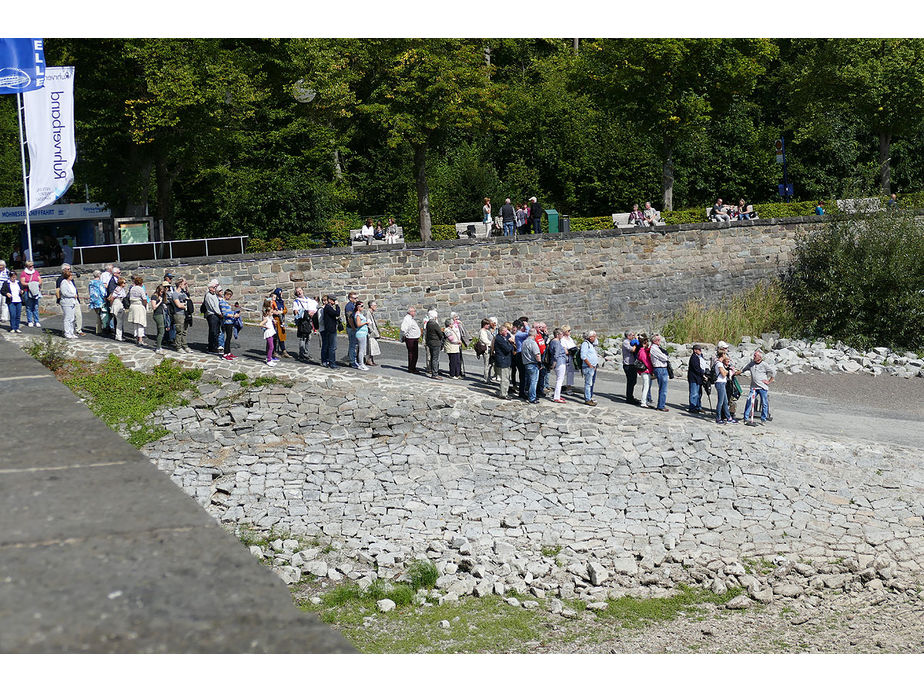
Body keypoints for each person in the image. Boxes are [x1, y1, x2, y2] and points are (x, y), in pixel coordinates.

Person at [741, 350, 776, 426]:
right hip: (753, 387)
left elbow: (773, 372)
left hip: (762, 387)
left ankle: (763, 419)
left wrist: (769, 381)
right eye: (754, 355)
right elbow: (743, 369)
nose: (753, 357)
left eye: (755, 356)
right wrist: (737, 372)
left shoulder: (764, 365)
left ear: (759, 357)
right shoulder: (751, 364)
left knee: (764, 403)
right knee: (749, 401)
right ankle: (746, 418)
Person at [293, 288, 318, 362]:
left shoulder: (308, 300)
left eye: (300, 291)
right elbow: (295, 312)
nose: (299, 292)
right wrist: (304, 312)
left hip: (309, 320)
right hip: (302, 322)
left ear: (303, 291)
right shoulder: (296, 301)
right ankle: (301, 355)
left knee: (309, 337)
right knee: (303, 338)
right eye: (297, 292)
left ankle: (306, 353)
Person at [492, 323, 515, 399]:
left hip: (506, 360)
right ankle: (503, 394)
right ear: (501, 332)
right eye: (505, 331)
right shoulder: (499, 339)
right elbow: (507, 349)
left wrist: (509, 336)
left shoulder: (504, 337)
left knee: (506, 378)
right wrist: (511, 344)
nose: (506, 332)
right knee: (504, 379)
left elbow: (509, 337)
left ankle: (505, 391)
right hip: (503, 361)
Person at [521, 327, 542, 403]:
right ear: (535, 335)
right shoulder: (533, 343)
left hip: (526, 363)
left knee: (529, 381)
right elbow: (537, 354)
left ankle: (528, 394)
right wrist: (539, 363)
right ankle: (532, 397)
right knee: (534, 381)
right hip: (533, 364)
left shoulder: (524, 342)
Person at [650, 334, 670, 412]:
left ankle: (661, 404)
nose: (659, 341)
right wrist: (666, 357)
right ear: (655, 341)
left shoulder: (657, 348)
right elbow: (664, 357)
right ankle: (661, 405)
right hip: (660, 368)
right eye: (658, 340)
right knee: (663, 388)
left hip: (662, 368)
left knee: (663, 388)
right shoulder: (654, 349)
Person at [170, 278, 191, 353]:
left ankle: (185, 345)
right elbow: (178, 305)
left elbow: (188, 299)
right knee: (179, 331)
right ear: (179, 284)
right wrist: (185, 305)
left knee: (185, 331)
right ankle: (178, 347)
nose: (185, 285)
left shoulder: (183, 293)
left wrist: (187, 288)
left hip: (185, 314)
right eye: (184, 284)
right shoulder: (175, 294)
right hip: (179, 314)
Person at [126, 275, 148, 346]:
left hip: (133, 306)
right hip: (139, 306)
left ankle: (137, 338)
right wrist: (145, 305)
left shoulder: (132, 288)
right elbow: (144, 299)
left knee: (136, 323)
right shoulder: (140, 289)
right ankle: (140, 340)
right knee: (141, 323)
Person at [714, 354, 736, 424]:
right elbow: (724, 374)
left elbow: (725, 372)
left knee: (725, 401)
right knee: (720, 402)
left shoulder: (721, 364)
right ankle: (718, 418)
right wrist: (728, 371)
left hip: (723, 383)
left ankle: (728, 417)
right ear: (722, 356)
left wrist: (727, 371)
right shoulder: (719, 364)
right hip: (719, 383)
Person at [548, 328, 569, 403]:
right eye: (561, 334)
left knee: (559, 379)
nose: (562, 335)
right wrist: (554, 363)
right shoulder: (556, 342)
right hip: (560, 362)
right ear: (557, 335)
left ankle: (557, 395)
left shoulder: (552, 341)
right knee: (560, 380)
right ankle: (556, 397)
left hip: (559, 362)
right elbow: (556, 354)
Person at [219, 289, 239, 360]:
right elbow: (224, 314)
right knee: (228, 338)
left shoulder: (226, 302)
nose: (230, 297)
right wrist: (233, 316)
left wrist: (234, 313)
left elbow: (229, 311)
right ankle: (225, 354)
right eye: (229, 296)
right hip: (227, 322)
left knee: (229, 337)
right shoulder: (222, 302)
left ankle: (228, 352)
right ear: (226, 295)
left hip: (230, 322)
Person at [203, 279, 222, 354]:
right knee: (213, 331)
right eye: (213, 287)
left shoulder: (214, 295)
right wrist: (220, 314)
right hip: (212, 315)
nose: (215, 289)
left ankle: (215, 346)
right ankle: (212, 347)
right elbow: (213, 307)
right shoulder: (208, 295)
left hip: (215, 315)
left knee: (216, 331)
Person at [321, 295, 341, 368]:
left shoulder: (328, 307)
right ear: (330, 300)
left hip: (330, 328)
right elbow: (337, 313)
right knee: (332, 347)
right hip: (330, 329)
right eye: (333, 300)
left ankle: (329, 361)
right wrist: (337, 305)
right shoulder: (328, 307)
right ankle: (332, 363)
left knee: (330, 346)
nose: (334, 302)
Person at [57, 269, 78, 339]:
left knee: (72, 318)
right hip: (66, 302)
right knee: (68, 318)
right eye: (70, 275)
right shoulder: (64, 282)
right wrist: (73, 295)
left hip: (72, 302)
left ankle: (71, 332)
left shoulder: (70, 282)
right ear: (67, 276)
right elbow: (64, 293)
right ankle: (67, 332)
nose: (72, 276)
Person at [20, 260, 42, 328]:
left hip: (35, 291)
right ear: (27, 266)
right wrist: (30, 284)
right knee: (29, 307)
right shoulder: (24, 273)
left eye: (32, 266)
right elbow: (22, 282)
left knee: (35, 306)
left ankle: (37, 321)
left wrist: (36, 284)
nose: (31, 267)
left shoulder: (36, 272)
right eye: (30, 266)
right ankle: (30, 321)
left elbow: (40, 280)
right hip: (27, 291)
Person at [580, 331, 600, 406]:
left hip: (592, 367)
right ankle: (587, 399)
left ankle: (589, 396)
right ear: (590, 337)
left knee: (591, 383)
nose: (595, 338)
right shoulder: (585, 344)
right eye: (594, 336)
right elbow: (583, 356)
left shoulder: (590, 344)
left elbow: (596, 343)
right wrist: (590, 365)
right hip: (588, 367)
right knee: (588, 383)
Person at [400, 306, 421, 373]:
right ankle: (411, 368)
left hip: (414, 338)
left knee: (414, 354)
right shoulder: (407, 319)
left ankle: (412, 367)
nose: (415, 312)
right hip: (411, 338)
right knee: (412, 353)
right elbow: (404, 329)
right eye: (414, 311)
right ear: (410, 312)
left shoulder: (410, 318)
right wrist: (404, 336)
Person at [270, 288, 290, 358]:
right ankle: (274, 351)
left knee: (282, 336)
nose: (281, 294)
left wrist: (281, 312)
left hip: (281, 320)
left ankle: (283, 351)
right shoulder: (273, 302)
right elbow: (270, 310)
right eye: (280, 293)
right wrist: (275, 312)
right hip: (275, 321)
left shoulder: (281, 302)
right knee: (275, 336)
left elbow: (285, 310)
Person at [622, 332, 641, 404]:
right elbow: (632, 350)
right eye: (632, 335)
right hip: (628, 364)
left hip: (633, 364)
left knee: (634, 381)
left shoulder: (631, 342)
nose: (633, 337)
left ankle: (630, 396)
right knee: (630, 381)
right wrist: (636, 343)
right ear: (628, 336)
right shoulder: (625, 342)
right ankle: (629, 398)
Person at [687, 344, 706, 413]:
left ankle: (698, 407)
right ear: (695, 350)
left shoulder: (700, 357)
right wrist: (703, 373)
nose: (700, 351)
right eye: (699, 350)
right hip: (694, 378)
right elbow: (696, 368)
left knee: (699, 394)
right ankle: (692, 407)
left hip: (698, 378)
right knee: (694, 393)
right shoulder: (694, 357)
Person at [150, 283, 168, 354]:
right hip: (157, 315)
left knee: (160, 331)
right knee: (161, 331)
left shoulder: (161, 296)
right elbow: (154, 307)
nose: (161, 293)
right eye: (161, 292)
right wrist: (159, 301)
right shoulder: (154, 296)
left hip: (161, 313)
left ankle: (159, 346)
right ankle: (158, 348)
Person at [477, 318, 497, 383]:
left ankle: (488, 377)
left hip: (490, 349)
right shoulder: (482, 331)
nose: (488, 326)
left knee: (490, 364)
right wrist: (492, 344)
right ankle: (486, 378)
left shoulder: (487, 331)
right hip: (486, 349)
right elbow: (484, 340)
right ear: (484, 324)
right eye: (487, 324)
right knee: (487, 364)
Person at [425, 309, 443, 379]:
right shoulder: (435, 324)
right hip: (435, 342)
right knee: (435, 358)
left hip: (430, 342)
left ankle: (434, 371)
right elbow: (440, 333)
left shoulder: (428, 323)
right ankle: (435, 373)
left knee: (433, 357)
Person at [108, 276, 127, 341]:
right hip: (118, 303)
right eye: (124, 283)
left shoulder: (121, 289)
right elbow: (113, 297)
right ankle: (119, 336)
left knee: (119, 321)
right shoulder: (118, 289)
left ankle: (118, 335)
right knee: (119, 321)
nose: (125, 284)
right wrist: (111, 305)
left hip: (119, 303)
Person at [637, 334, 654, 407]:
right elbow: (646, 362)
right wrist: (651, 370)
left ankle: (644, 400)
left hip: (644, 371)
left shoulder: (642, 351)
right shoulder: (642, 351)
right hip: (645, 371)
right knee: (646, 386)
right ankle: (643, 402)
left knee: (645, 386)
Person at [560, 325, 577, 395]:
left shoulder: (570, 338)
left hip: (572, 357)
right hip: (567, 358)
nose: (570, 332)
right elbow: (565, 350)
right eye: (568, 331)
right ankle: (564, 388)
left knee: (571, 373)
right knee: (564, 373)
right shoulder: (563, 340)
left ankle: (569, 387)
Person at [87, 270, 106, 334]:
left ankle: (98, 329)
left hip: (93, 300)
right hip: (99, 300)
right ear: (98, 275)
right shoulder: (99, 282)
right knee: (101, 315)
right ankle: (100, 329)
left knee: (97, 314)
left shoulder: (91, 282)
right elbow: (103, 292)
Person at [354, 301, 370, 371]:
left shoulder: (360, 314)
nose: (363, 307)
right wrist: (366, 322)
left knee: (362, 349)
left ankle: (361, 363)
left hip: (363, 333)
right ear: (358, 307)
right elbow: (358, 324)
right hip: (361, 333)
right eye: (362, 306)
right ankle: (361, 364)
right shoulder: (358, 315)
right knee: (361, 350)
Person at [344, 291, 359, 368]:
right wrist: (353, 328)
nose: (356, 299)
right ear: (350, 298)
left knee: (354, 344)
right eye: (354, 298)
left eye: (357, 298)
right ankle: (352, 361)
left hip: (353, 327)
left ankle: (352, 359)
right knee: (352, 345)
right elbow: (349, 318)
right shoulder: (349, 306)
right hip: (351, 328)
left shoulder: (353, 305)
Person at [366, 300, 382, 366]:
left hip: (373, 333)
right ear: (371, 306)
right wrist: (372, 332)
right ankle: (369, 360)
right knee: (370, 347)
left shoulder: (371, 313)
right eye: (375, 305)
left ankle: (371, 360)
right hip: (371, 334)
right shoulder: (368, 313)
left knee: (373, 347)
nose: (376, 307)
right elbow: (369, 324)